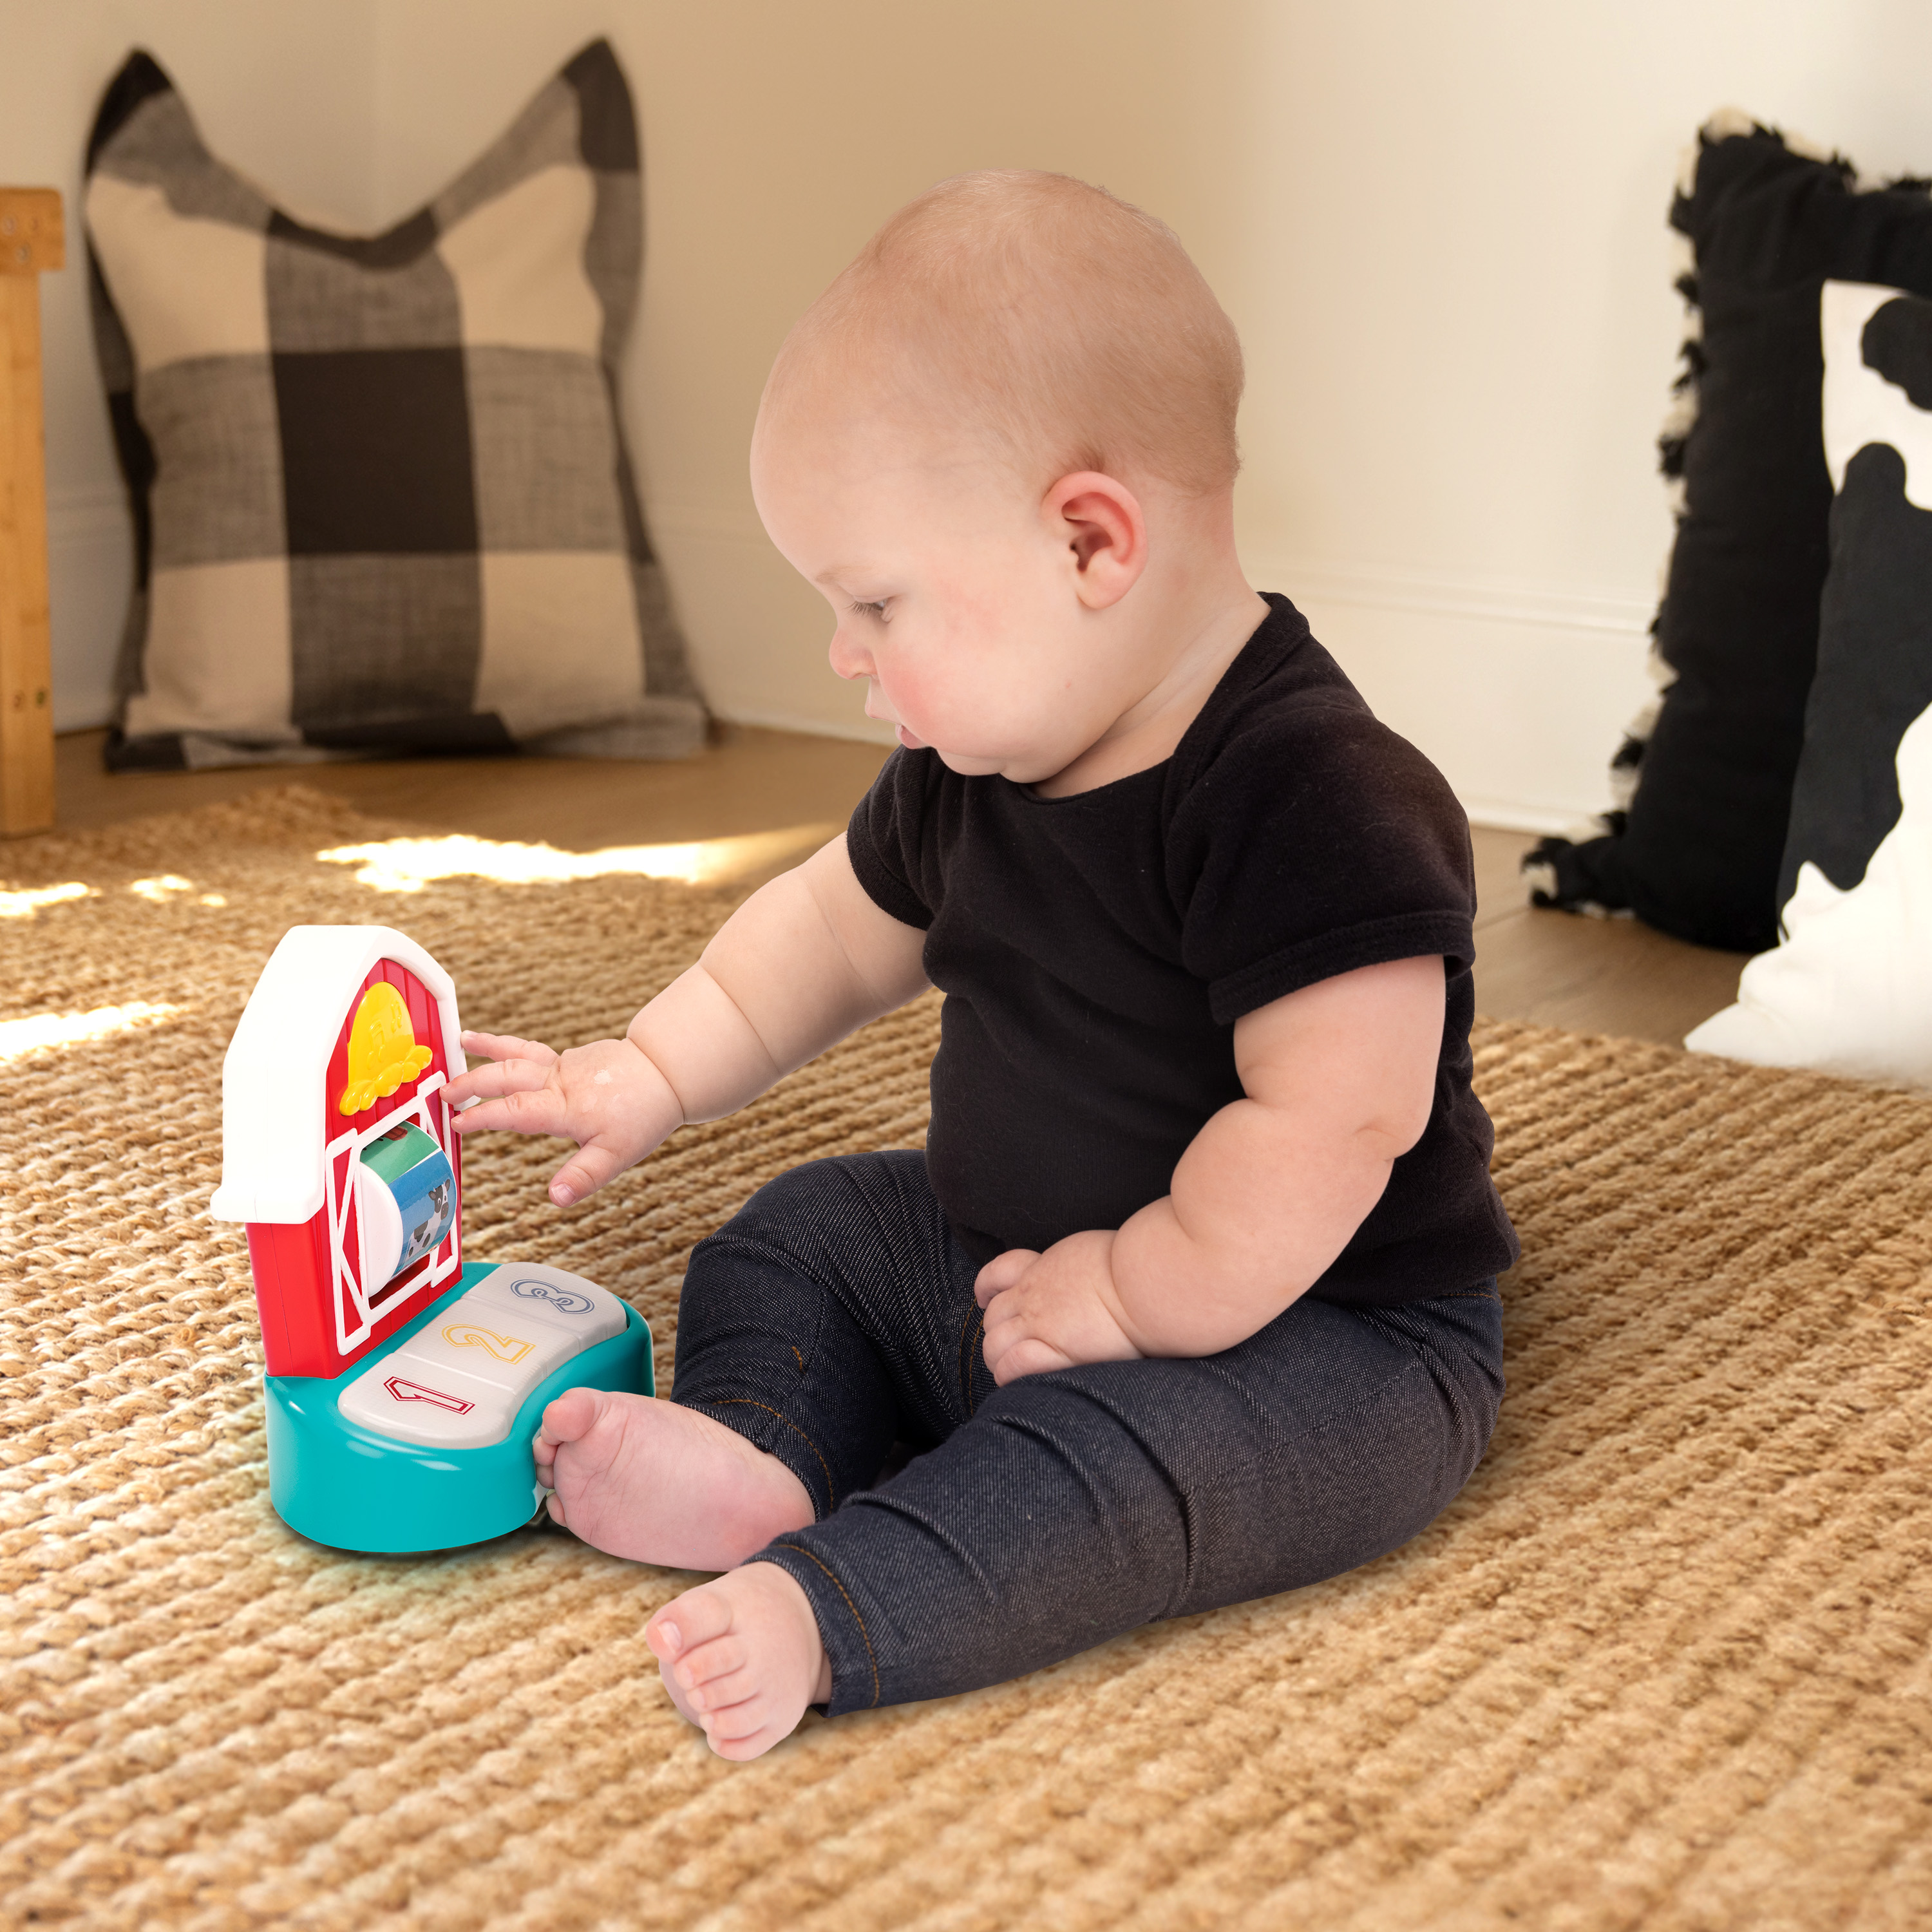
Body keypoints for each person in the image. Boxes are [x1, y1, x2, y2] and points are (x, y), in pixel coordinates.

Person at [443, 169, 1518, 1761]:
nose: (843, 653)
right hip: (1012, 1264)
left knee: (1111, 1468)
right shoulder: (977, 765)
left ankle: (841, 1604)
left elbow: (1336, 1123)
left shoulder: (1317, 796)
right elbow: (823, 933)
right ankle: (765, 1452)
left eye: (875, 601)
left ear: (1090, 542)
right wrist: (652, 1067)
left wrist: (1135, 1289)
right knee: (803, 1232)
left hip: (1315, 1331)